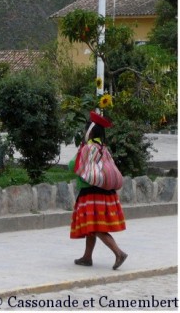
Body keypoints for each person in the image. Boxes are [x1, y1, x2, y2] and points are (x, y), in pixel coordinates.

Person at [70, 111, 128, 269]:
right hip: (106, 193)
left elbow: (72, 165)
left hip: (91, 194)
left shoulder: (88, 148)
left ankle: (118, 253)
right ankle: (87, 257)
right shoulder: (103, 148)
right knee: (92, 227)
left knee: (96, 227)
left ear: (89, 132)